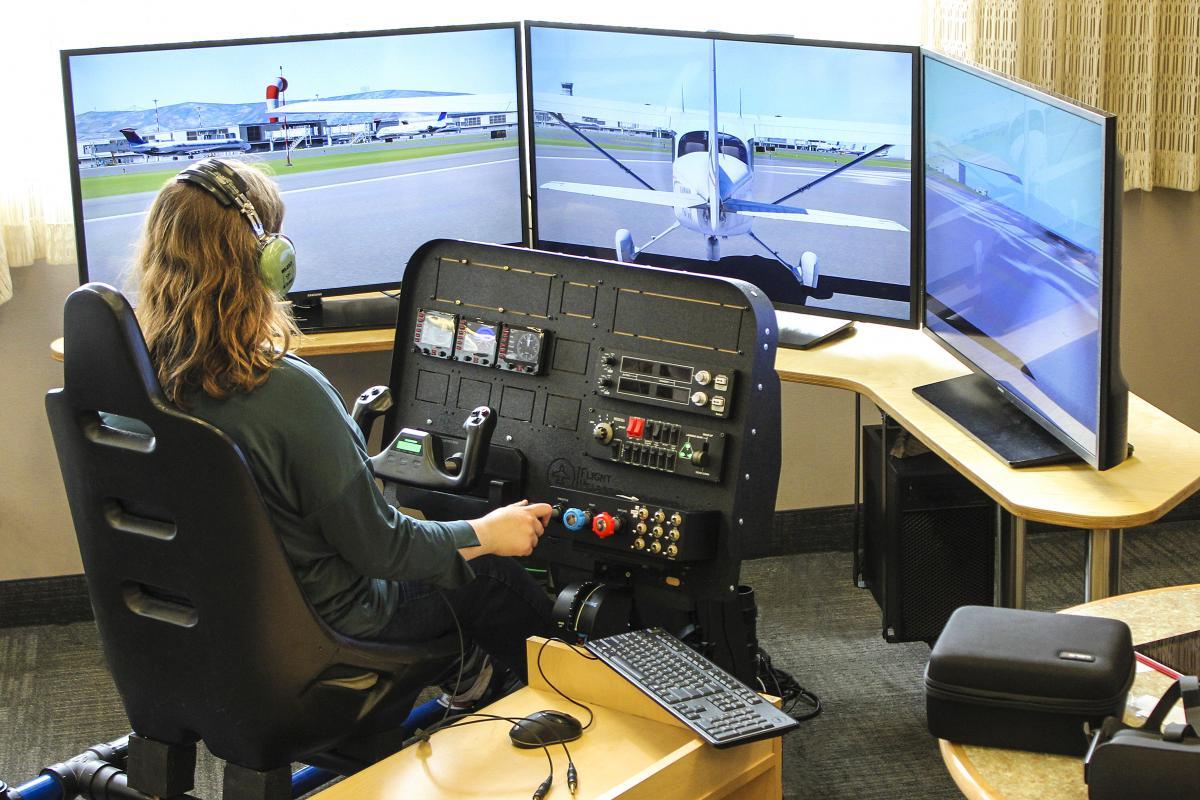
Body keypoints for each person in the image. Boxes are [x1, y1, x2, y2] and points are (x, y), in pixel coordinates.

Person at [131, 156, 557, 701]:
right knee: (493, 571)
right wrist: (490, 533)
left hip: (215, 621)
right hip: (332, 624)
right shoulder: (286, 393)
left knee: (445, 535)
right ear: (268, 264)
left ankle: (467, 675)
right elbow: (382, 551)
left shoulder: (141, 383)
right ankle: (580, 715)